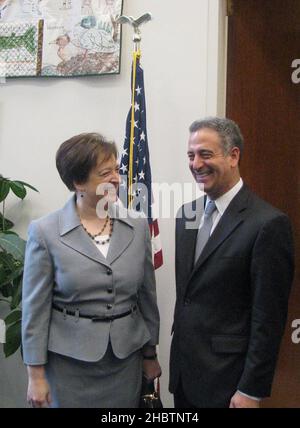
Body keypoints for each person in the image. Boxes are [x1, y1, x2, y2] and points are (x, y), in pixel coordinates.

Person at [22, 132, 161, 408]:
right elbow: (35, 310)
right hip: (69, 366)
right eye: (104, 173)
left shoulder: (137, 225)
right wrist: (35, 376)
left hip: (125, 362)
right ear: (78, 182)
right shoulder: (45, 232)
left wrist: (150, 354)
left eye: (116, 170)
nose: (115, 179)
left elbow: (147, 297)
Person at [169, 117, 294, 408]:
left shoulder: (268, 224)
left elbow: (268, 319)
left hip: (229, 382)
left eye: (205, 154)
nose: (196, 164)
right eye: (191, 155)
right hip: (184, 377)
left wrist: (251, 390)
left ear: (234, 155)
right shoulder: (185, 215)